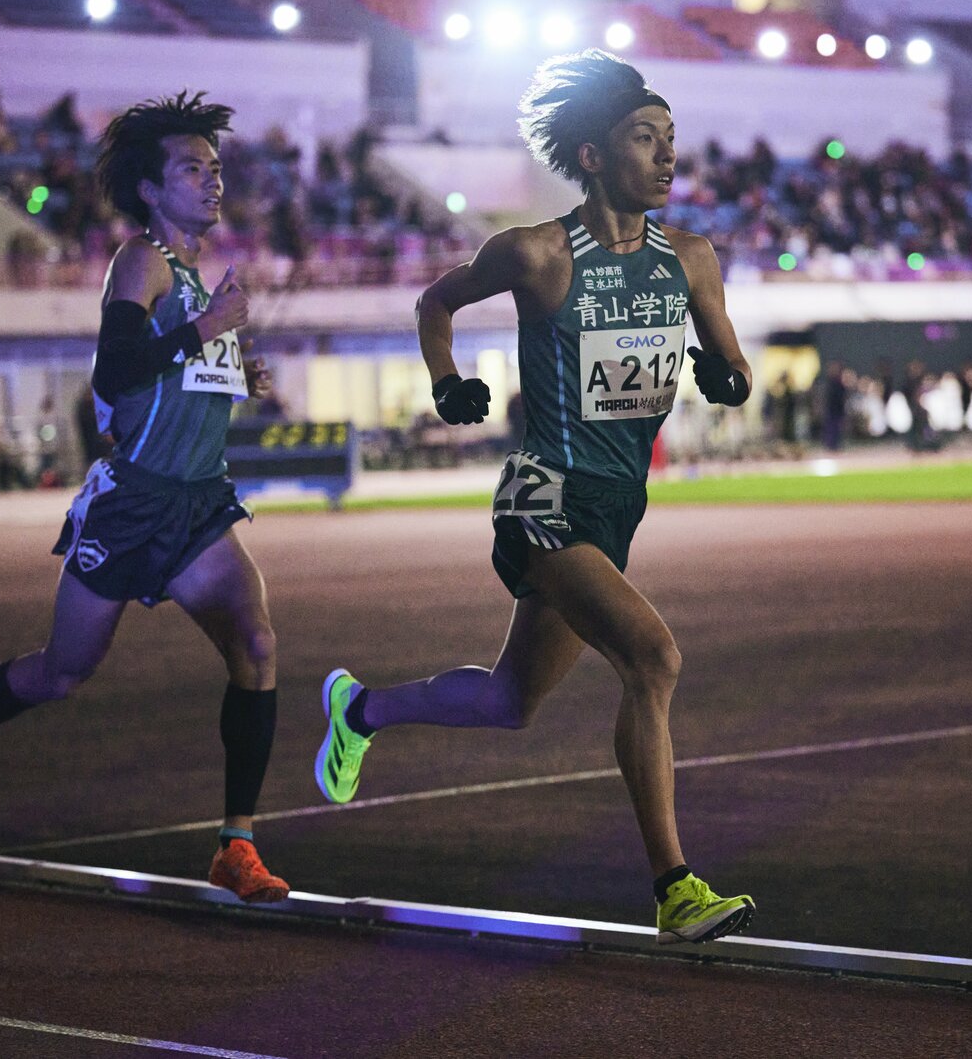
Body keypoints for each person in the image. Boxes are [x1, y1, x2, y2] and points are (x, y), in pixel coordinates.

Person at [314, 50, 756, 944]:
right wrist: (446, 382)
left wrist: (727, 377)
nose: (668, 155)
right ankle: (675, 889)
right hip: (542, 497)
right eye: (646, 137)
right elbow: (435, 303)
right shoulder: (536, 253)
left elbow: (733, 363)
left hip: (615, 508)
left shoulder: (692, 259)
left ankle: (359, 709)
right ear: (592, 155)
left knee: (511, 702)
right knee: (653, 658)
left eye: (672, 139)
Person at [0, 92, 289, 904]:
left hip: (198, 505)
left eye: (215, 167)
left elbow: (173, 373)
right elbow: (116, 371)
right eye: (191, 168)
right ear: (151, 189)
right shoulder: (141, 261)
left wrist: (235, 368)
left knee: (257, 645)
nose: (212, 180)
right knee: (64, 672)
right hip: (131, 504)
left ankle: (236, 844)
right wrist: (208, 330)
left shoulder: (195, 278)